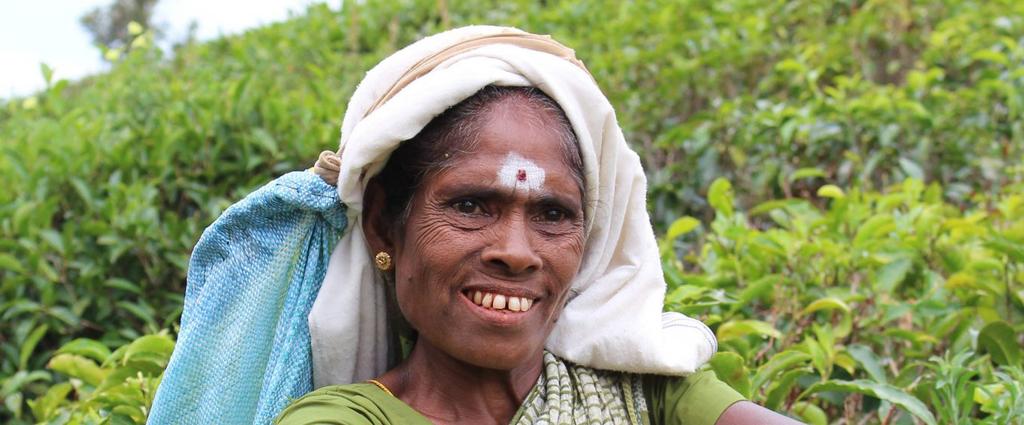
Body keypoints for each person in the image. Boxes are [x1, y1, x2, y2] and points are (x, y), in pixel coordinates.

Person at [270, 27, 804, 425]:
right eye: (472, 206)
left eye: (553, 214)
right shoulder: (340, 419)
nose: (517, 252)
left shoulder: (650, 391)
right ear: (386, 226)